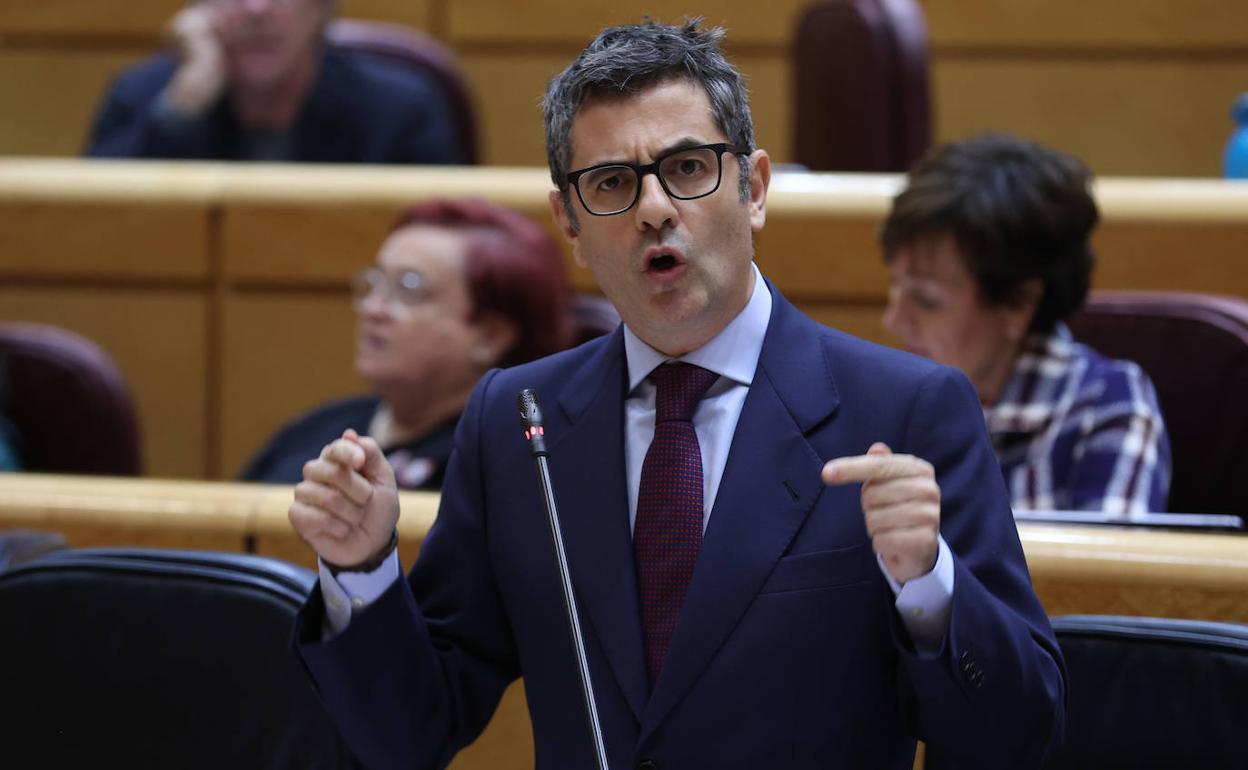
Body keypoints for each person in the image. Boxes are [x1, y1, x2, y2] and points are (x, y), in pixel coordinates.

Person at [289, 20, 1065, 770]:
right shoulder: (516, 421)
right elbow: (409, 736)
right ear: (569, 222)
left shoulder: (904, 410)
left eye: (688, 168)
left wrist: (927, 582)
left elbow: (1019, 736)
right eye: (612, 184)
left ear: (753, 189)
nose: (654, 209)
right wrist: (364, 570)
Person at [880, 133, 1171, 515]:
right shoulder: (888, 395)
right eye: (895, 287)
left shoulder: (1107, 406)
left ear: (1018, 303)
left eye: (927, 301)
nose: (893, 321)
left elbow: (1112, 556)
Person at [241, 197, 571, 489]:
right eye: (377, 282)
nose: (374, 309)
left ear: (490, 336)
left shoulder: (509, 467)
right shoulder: (321, 425)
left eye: (407, 289)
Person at [85, 0, 463, 163]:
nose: (257, 9)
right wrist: (183, 107)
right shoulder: (141, 97)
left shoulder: (402, 111)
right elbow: (93, 230)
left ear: (320, 10)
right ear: (200, 10)